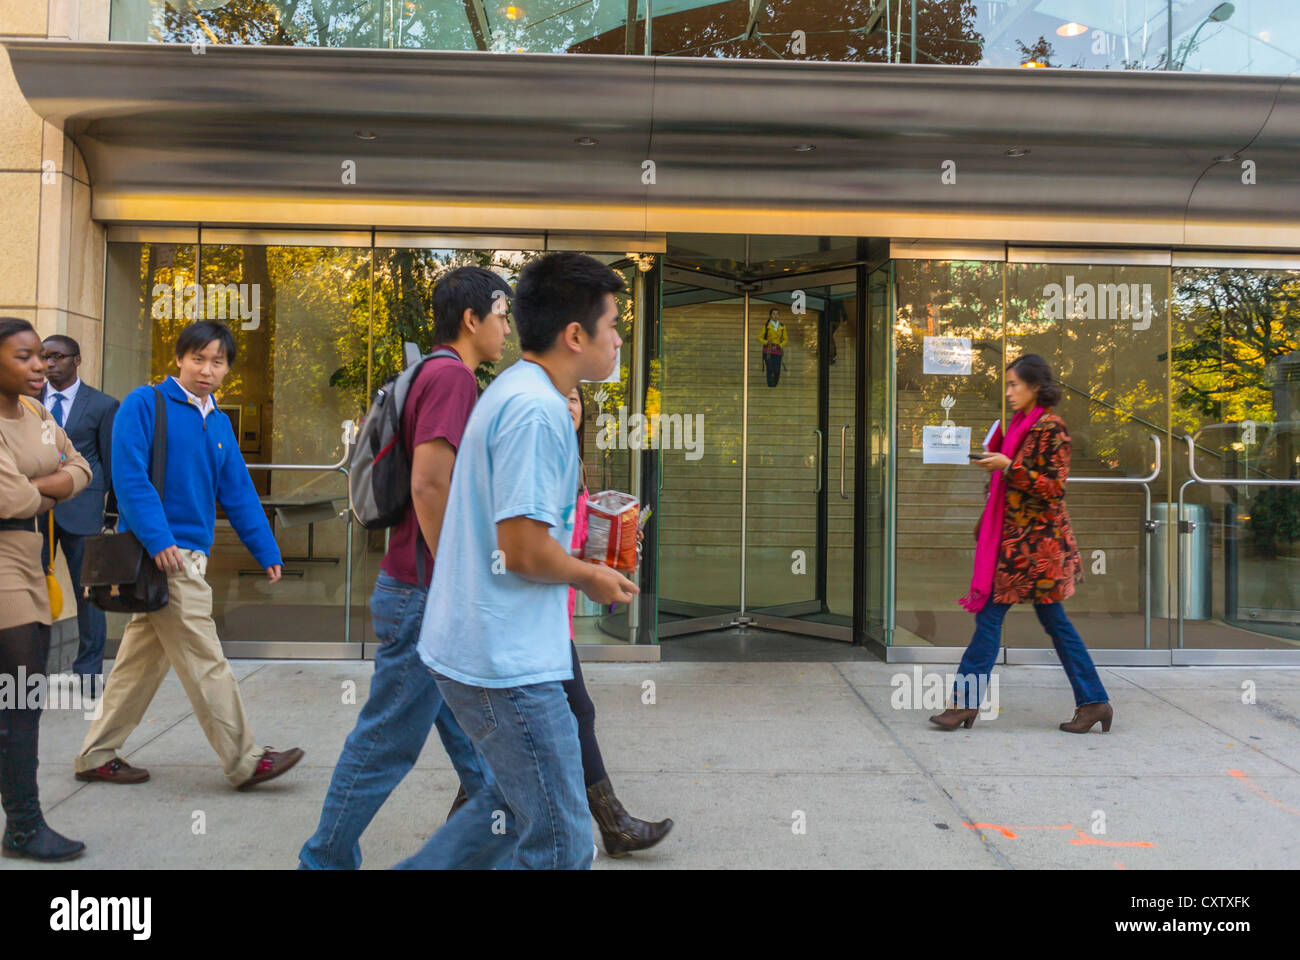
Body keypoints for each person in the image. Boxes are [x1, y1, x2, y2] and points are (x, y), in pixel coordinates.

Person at [395, 252, 638, 870]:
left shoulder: (520, 391)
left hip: (487, 647)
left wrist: (582, 552)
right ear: (575, 335)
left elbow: (521, 531)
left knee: (499, 812)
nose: (618, 339)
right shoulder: (536, 410)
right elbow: (522, 548)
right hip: (506, 662)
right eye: (612, 325)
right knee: (561, 842)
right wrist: (593, 576)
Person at [299, 266, 512, 869]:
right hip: (425, 592)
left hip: (417, 588)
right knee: (385, 743)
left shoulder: (429, 372)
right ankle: (322, 861)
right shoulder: (451, 379)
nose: (507, 326)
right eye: (502, 313)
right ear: (472, 319)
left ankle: (512, 831)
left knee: (480, 744)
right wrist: (458, 582)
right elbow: (429, 485)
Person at [73, 321, 303, 788]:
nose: (207, 369)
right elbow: (130, 475)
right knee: (206, 658)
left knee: (137, 667)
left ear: (227, 370)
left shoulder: (217, 421)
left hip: (189, 556)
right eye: (198, 358)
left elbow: (237, 490)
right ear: (179, 358)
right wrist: (160, 541)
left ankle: (96, 755)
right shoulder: (146, 402)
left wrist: (266, 548)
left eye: (217, 361)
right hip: (165, 558)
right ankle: (245, 760)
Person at [931, 354, 1112, 734]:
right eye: (1008, 385)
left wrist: (1007, 467)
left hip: (1037, 551)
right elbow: (1015, 482)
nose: (1009, 392)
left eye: (1015, 384)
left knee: (990, 620)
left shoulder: (1052, 428)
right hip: (1017, 547)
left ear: (1035, 387)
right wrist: (996, 468)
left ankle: (963, 705)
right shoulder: (1019, 426)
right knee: (1054, 625)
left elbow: (1053, 488)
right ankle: (1094, 702)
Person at [563, 385, 673, 857]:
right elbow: (527, 547)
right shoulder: (546, 458)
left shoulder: (573, 461)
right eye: (562, 396)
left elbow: (575, 539)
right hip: (537, 619)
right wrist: (591, 572)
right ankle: (614, 826)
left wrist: (618, 539)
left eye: (575, 398)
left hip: (553, 614)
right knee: (576, 714)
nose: (571, 405)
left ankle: (614, 826)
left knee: (502, 737)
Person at [0, 318, 92, 861]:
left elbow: (78, 465)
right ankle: (25, 825)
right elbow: (9, 501)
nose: (39, 366)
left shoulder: (35, 414)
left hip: (32, 562)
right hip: (4, 567)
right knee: (21, 698)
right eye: (24, 357)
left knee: (19, 701)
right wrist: (47, 488)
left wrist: (40, 488)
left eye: (41, 356)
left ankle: (21, 820)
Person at [39, 335, 119, 698]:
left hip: (83, 512)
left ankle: (88, 672)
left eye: (57, 357)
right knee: (29, 591)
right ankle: (29, 670)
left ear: (78, 360)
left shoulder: (102, 405)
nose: (49, 364)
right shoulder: (26, 403)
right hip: (33, 510)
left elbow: (111, 461)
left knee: (89, 594)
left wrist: (111, 513)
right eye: (44, 357)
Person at [758, 307, 787, 387]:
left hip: (778, 351)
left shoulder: (782, 326)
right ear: (770, 315)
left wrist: (780, 345)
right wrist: (766, 342)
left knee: (777, 370)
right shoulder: (766, 326)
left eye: (777, 314)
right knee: (770, 369)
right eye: (774, 314)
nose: (775, 316)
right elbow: (759, 337)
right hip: (768, 351)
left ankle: (775, 384)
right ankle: (770, 385)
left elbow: (785, 340)